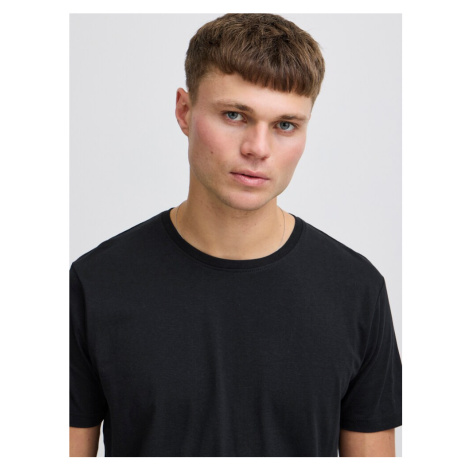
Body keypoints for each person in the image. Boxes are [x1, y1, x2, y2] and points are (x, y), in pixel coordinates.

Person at [69, 13, 402, 457]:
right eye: (234, 115)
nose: (258, 149)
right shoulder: (96, 283)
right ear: (184, 111)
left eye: (285, 125)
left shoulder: (356, 290)